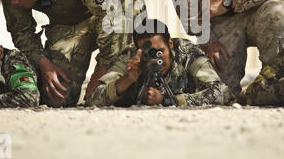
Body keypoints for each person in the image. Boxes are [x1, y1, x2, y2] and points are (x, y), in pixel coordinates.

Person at [2, 0, 145, 107]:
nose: (14, 2)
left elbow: (107, 13)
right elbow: (21, 32)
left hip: (108, 23)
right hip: (69, 29)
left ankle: (117, 83)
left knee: (130, 3)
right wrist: (44, 64)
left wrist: (101, 70)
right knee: (56, 98)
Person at [84, 19, 226, 107]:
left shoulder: (187, 53)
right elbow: (94, 99)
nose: (155, 59)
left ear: (170, 43)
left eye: (160, 52)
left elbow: (221, 92)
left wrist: (168, 100)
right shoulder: (130, 57)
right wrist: (127, 79)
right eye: (148, 54)